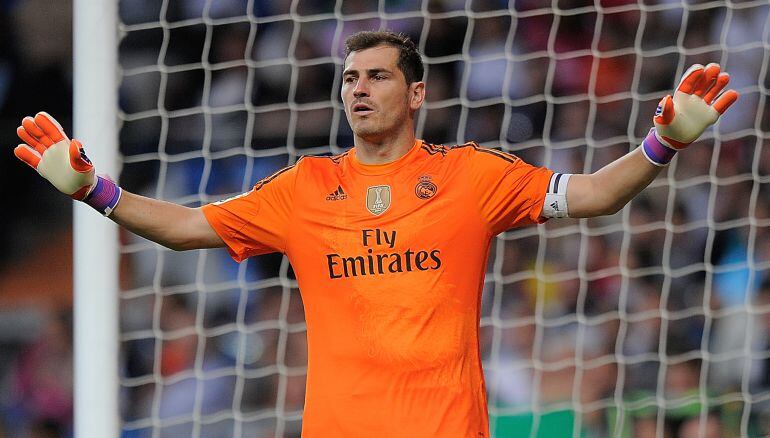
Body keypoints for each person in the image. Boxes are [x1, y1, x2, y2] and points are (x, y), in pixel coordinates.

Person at [12, 31, 738, 437]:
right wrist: (93, 190)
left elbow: (596, 195)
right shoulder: (304, 188)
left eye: (378, 77)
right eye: (351, 77)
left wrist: (661, 145)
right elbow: (182, 227)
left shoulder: (473, 176)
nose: (358, 88)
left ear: (416, 92)